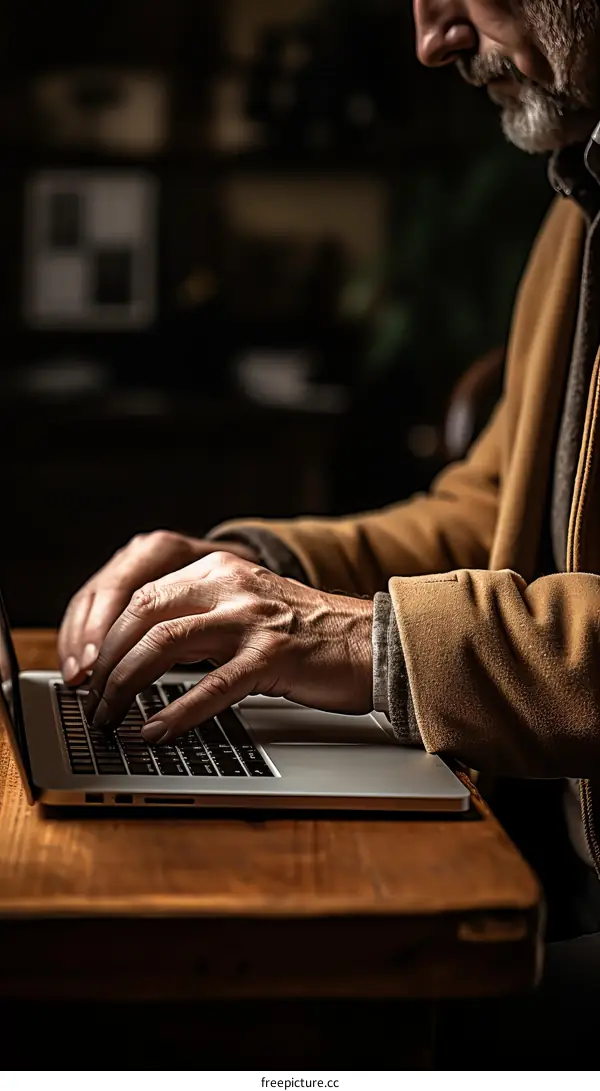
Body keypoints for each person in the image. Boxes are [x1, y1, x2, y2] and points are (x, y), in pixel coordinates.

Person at [58, 0, 600, 1065]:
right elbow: (486, 517)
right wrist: (257, 571)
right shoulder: (579, 203)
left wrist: (365, 640)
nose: (432, 38)